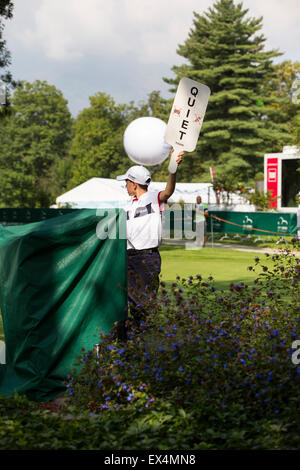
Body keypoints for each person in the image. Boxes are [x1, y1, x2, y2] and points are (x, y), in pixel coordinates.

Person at [116, 149, 183, 334]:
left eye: (127, 182)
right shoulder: (128, 205)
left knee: (144, 305)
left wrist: (173, 167)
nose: (125, 186)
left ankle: (145, 345)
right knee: (130, 303)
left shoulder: (154, 197)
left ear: (134, 184)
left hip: (147, 258)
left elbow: (168, 191)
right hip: (128, 258)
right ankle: (134, 342)